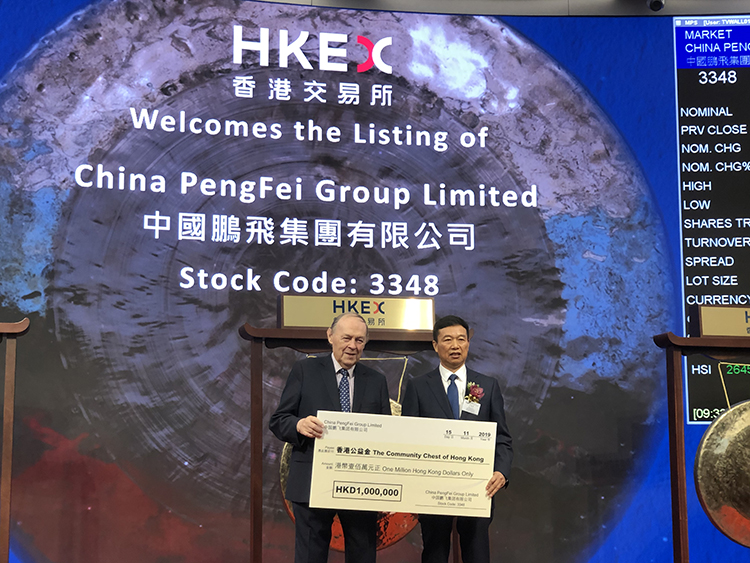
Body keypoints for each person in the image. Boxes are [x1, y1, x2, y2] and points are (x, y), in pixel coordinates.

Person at [269, 312, 391, 563]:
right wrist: (299, 424)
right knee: (310, 556)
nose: (352, 345)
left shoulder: (376, 381)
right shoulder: (305, 370)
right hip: (312, 482)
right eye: (346, 338)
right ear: (330, 336)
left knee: (362, 554)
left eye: (359, 340)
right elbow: (279, 420)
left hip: (360, 485)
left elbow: (386, 435)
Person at [401, 315, 513, 563]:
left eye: (461, 339)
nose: (455, 346)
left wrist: (501, 472)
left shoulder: (486, 386)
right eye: (448, 340)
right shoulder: (418, 387)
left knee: (477, 553)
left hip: (477, 488)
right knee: (435, 553)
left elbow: (502, 438)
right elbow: (407, 440)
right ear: (435, 345)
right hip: (432, 489)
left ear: (468, 344)